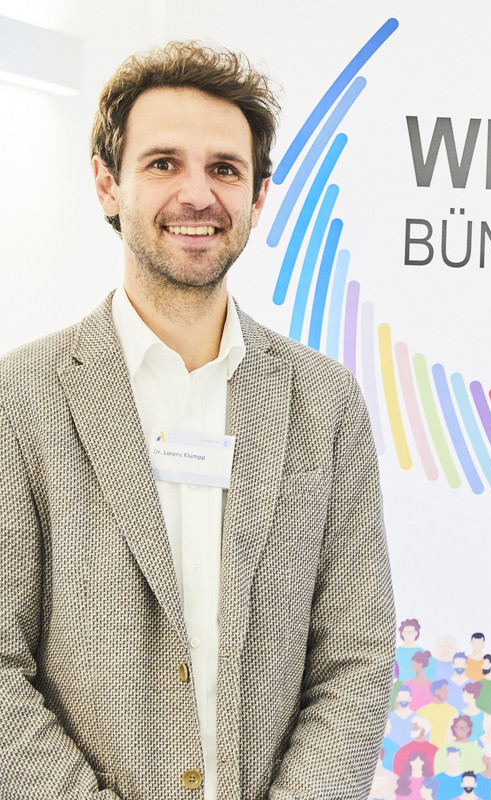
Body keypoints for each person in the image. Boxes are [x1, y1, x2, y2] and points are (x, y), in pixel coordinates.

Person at [0, 40, 395, 799]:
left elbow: (358, 656)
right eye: (163, 164)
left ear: (258, 198)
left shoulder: (326, 403)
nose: (197, 194)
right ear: (107, 184)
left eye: (225, 169)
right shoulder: (20, 399)